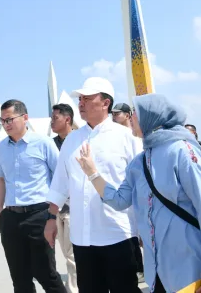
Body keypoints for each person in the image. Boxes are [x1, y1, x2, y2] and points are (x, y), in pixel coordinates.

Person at [76, 93, 201, 293]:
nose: (131, 117)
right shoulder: (139, 162)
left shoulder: (183, 151)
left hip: (189, 264)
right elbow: (118, 201)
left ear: (151, 117)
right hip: (157, 270)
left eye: (135, 112)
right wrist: (92, 174)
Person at [44, 77, 143, 293]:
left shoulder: (126, 138)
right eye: (80, 99)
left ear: (105, 103)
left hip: (118, 233)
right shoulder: (72, 140)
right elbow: (60, 182)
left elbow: (140, 186)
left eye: (87, 99)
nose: (81, 104)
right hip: (82, 237)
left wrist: (143, 226)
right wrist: (51, 218)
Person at [0, 99, 66, 293]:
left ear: (25, 117)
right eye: (2, 121)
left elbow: (60, 177)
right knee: (19, 278)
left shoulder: (43, 143)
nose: (6, 125)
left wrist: (53, 213)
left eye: (9, 119)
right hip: (11, 217)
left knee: (46, 274)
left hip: (39, 216)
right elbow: (0, 180)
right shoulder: (1, 147)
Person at [111, 102, 145, 283]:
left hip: (137, 197)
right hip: (122, 197)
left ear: (127, 115)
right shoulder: (111, 137)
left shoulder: (135, 139)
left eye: (117, 114)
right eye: (113, 114)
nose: (114, 117)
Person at [50, 103, 77, 293]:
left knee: (72, 255)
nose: (52, 122)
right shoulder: (50, 144)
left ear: (67, 119)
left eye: (55, 118)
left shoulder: (78, 141)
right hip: (56, 208)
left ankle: (74, 289)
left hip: (74, 207)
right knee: (65, 252)